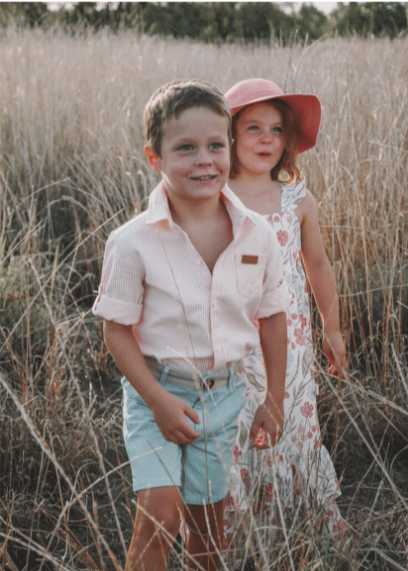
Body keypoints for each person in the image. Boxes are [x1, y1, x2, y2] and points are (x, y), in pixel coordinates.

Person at [92, 79, 291, 571]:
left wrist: (274, 399)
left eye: (216, 145)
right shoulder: (134, 241)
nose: (204, 160)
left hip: (224, 396)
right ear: (154, 158)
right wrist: (158, 402)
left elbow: (272, 317)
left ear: (230, 150)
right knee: (158, 516)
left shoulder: (257, 234)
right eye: (185, 148)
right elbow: (116, 330)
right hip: (156, 390)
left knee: (208, 524)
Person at [223, 78, 347, 548]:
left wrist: (332, 328)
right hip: (234, 343)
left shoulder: (297, 199)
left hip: (291, 344)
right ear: (230, 134)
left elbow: (317, 264)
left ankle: (304, 531)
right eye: (252, 127)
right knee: (240, 428)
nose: (266, 139)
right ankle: (242, 538)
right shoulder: (216, 196)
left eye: (276, 129)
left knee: (293, 421)